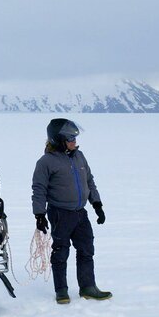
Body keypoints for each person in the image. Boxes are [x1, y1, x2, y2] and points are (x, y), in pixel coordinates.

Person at [32, 118, 112, 304]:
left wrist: (97, 204)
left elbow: (89, 181)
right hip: (60, 213)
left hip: (80, 213)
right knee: (61, 251)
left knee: (86, 249)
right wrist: (39, 215)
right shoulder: (46, 162)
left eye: (75, 139)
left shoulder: (79, 156)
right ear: (58, 140)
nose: (75, 142)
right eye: (71, 139)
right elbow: (39, 189)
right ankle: (61, 291)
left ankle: (88, 287)